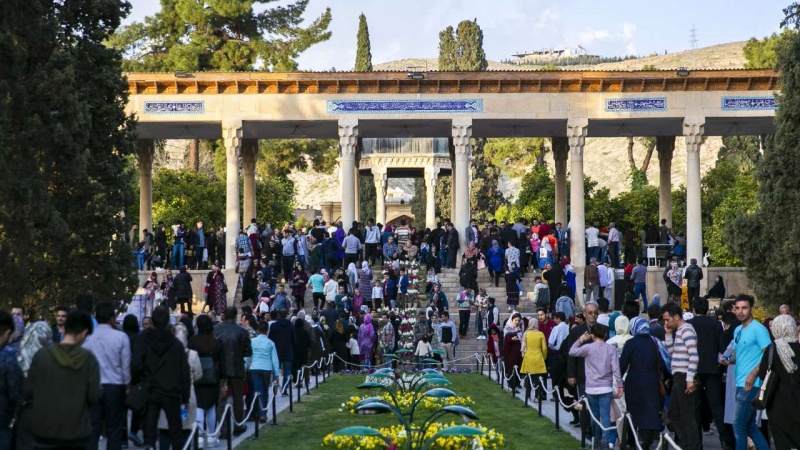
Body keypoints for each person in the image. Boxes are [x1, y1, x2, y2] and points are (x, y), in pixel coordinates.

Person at [25, 310, 100, 450]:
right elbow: (94, 395)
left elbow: (28, 390)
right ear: (84, 333)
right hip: (76, 433)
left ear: (64, 329)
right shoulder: (88, 359)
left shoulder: (42, 356)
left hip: (44, 431)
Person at [721, 294, 771, 450]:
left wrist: (753, 373)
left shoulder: (759, 329)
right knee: (750, 427)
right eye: (737, 308)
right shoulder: (738, 330)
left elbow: (768, 354)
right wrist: (727, 359)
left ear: (751, 309)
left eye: (744, 308)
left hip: (750, 384)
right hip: (739, 382)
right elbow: (736, 352)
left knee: (738, 426)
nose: (740, 311)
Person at [83, 302, 131, 450]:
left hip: (93, 386)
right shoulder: (121, 337)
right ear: (112, 318)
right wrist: (127, 385)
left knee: (93, 428)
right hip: (115, 386)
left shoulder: (88, 338)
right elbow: (125, 365)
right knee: (115, 428)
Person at [569, 324, 623, 449]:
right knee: (605, 416)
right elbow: (616, 369)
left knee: (594, 416)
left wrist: (580, 340)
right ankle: (605, 441)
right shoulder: (610, 349)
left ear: (592, 335)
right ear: (605, 334)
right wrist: (620, 385)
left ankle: (596, 440)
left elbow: (572, 351)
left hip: (591, 387)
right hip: (606, 387)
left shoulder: (588, 348)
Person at [688, 297, 729, 450]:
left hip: (695, 370)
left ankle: (697, 443)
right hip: (713, 369)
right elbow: (722, 347)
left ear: (694, 310)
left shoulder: (689, 325)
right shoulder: (716, 324)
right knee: (717, 406)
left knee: (695, 407)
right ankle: (725, 440)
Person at [620, 317, 665, 449]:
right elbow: (663, 363)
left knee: (633, 412)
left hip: (634, 381)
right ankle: (646, 442)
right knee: (650, 411)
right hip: (652, 380)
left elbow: (622, 364)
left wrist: (618, 380)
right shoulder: (655, 342)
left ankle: (632, 442)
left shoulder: (630, 343)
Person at [661, 301, 700, 450]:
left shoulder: (687, 330)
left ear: (676, 317)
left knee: (686, 415)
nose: (666, 323)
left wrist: (690, 379)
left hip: (684, 376)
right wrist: (668, 334)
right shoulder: (679, 331)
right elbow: (672, 353)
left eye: (667, 319)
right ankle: (685, 444)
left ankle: (691, 445)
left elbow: (694, 355)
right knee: (674, 413)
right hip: (679, 375)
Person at [758, 314, 800, 450]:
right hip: (797, 400)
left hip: (777, 402)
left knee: (781, 441)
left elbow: (762, 373)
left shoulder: (772, 349)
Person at [213, 307, 252, 435]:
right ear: (236, 316)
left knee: (221, 400)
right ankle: (238, 425)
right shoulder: (242, 331)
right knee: (237, 399)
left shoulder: (216, 330)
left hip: (221, 368)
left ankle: (224, 429)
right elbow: (248, 352)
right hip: (236, 368)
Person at [188, 314, 222, 447]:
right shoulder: (216, 341)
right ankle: (212, 436)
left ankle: (200, 437)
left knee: (199, 406)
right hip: (213, 376)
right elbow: (221, 360)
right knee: (211, 406)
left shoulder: (193, 340)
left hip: (197, 375)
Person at [249, 322, 280, 423]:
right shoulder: (270, 343)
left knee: (257, 391)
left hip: (255, 367)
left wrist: (245, 367)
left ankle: (258, 412)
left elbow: (248, 356)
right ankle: (263, 413)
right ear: (267, 331)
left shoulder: (252, 341)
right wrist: (276, 373)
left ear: (258, 330)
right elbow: (274, 360)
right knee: (265, 391)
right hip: (267, 368)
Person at [521, 318, 548, 401]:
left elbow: (523, 346)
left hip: (528, 356)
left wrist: (523, 355)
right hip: (538, 356)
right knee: (537, 378)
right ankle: (537, 396)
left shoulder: (526, 333)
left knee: (529, 377)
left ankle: (528, 395)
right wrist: (544, 357)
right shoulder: (540, 334)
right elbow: (544, 348)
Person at [503, 313, 524, 394]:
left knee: (517, 369)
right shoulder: (507, 328)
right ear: (512, 320)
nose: (517, 322)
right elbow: (505, 341)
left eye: (518, 320)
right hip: (510, 353)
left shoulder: (519, 328)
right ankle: (512, 387)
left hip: (518, 353)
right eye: (515, 320)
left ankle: (516, 384)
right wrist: (511, 339)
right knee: (511, 369)